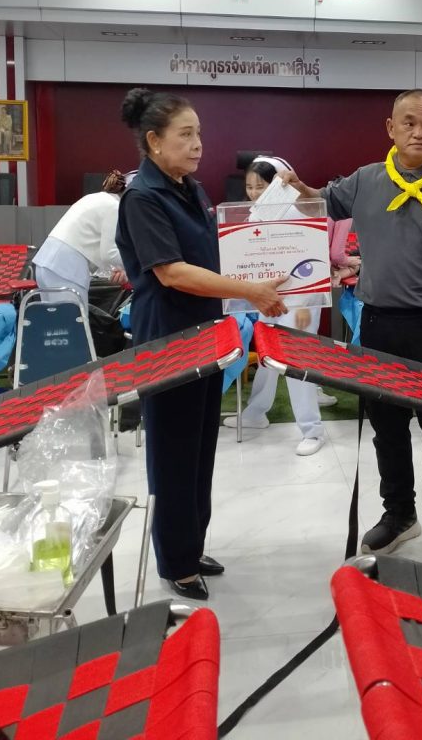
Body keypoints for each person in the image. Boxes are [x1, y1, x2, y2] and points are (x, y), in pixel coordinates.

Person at [282, 89, 422, 567]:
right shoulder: (367, 179)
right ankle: (399, 514)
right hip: (378, 324)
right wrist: (296, 187)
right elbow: (322, 201)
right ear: (391, 128)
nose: (419, 131)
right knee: (387, 429)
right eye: (409, 122)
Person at [116, 88, 286, 601]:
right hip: (168, 339)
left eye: (199, 134)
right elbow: (172, 273)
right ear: (154, 141)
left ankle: (192, 546)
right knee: (172, 452)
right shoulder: (144, 198)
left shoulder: (189, 189)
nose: (197, 145)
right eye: (185, 135)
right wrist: (250, 290)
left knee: (198, 450)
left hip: (208, 334)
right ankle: (175, 561)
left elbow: (216, 254)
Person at [223, 155, 326, 456]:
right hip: (268, 298)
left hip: (300, 300)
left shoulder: (298, 210)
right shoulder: (254, 215)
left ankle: (312, 430)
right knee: (268, 358)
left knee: (296, 361)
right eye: (249, 187)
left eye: (261, 186)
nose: (254, 192)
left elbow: (312, 257)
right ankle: (256, 413)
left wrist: (305, 305)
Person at [33, 170, 128, 308]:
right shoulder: (115, 207)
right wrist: (136, 266)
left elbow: (96, 246)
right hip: (66, 268)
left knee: (54, 320)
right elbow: (109, 254)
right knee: (73, 319)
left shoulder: (96, 198)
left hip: (46, 263)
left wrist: (118, 269)